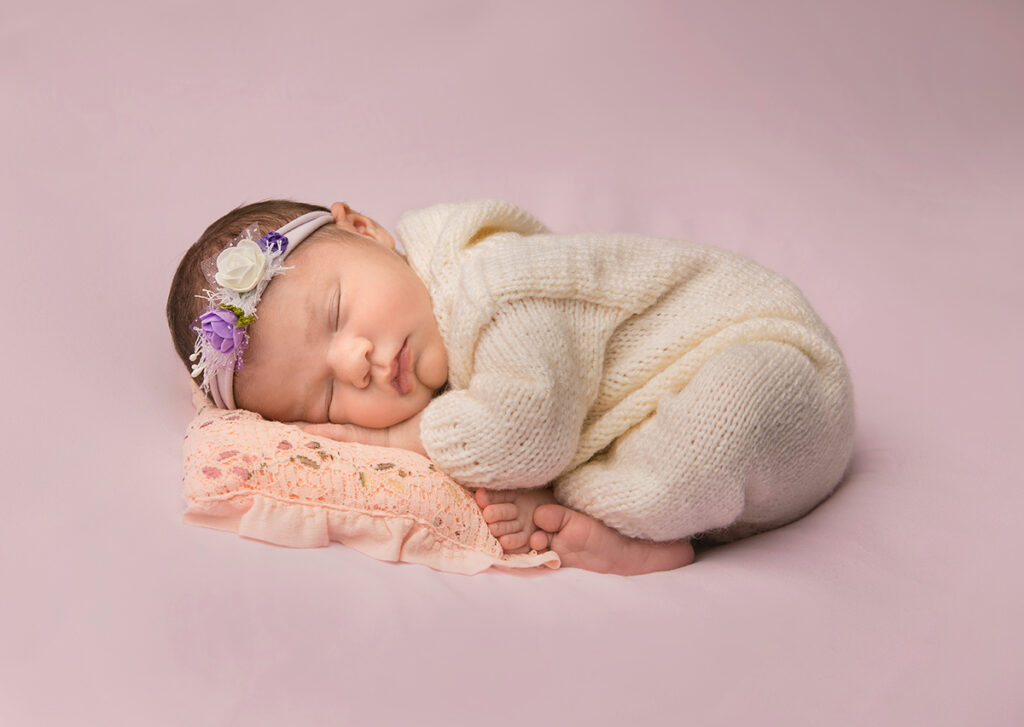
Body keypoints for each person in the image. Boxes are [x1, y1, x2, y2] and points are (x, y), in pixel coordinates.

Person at [167, 199, 855, 575]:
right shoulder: (438, 350)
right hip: (693, 439)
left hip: (775, 367)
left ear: (367, 230)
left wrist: (403, 435)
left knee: (709, 431)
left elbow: (524, 432)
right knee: (655, 459)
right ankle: (659, 535)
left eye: (338, 314)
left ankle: (648, 533)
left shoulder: (494, 284)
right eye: (325, 396)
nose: (356, 363)